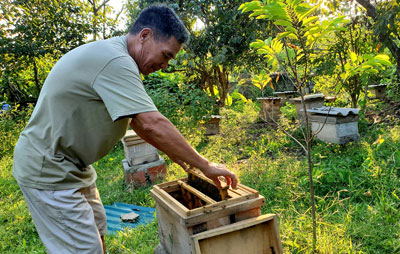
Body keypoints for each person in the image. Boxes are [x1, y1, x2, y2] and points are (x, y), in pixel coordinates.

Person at [12, 5, 237, 254]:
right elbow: (151, 123)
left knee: (98, 232)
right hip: (50, 169)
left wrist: (176, 154)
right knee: (85, 250)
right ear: (145, 35)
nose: (164, 65)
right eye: (165, 55)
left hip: (74, 166)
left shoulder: (115, 56)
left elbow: (138, 122)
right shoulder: (115, 61)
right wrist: (206, 165)